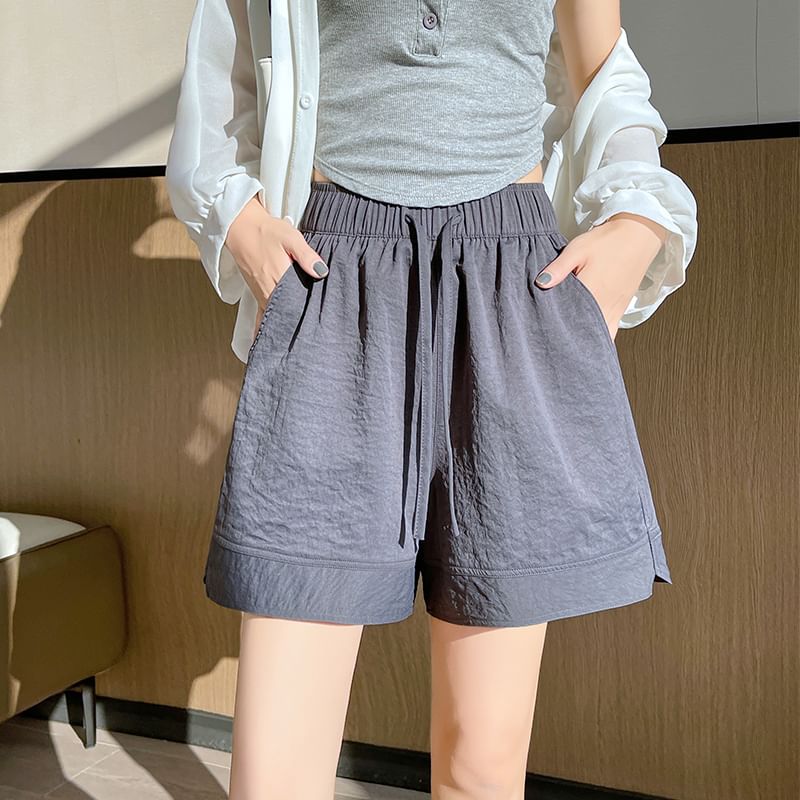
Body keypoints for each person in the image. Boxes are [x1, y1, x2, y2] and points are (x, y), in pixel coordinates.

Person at [166, 1, 696, 797]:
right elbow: (222, 70)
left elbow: (607, 76)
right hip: (335, 274)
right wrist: (239, 224)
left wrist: (636, 220)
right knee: (276, 771)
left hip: (508, 280)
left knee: (483, 759)